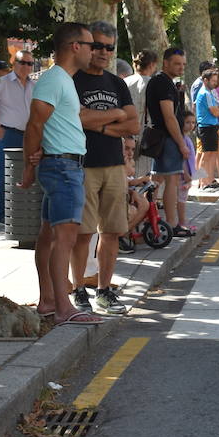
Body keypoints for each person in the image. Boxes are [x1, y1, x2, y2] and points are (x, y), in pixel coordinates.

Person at [20, 22, 99, 325]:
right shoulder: (55, 79)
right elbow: (34, 124)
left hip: (62, 166)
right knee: (64, 237)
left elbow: (43, 125)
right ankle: (64, 307)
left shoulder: (61, 79)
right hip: (63, 168)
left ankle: (48, 302)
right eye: (91, 45)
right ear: (75, 46)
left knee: (49, 236)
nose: (96, 51)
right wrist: (29, 166)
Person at [68, 21, 138, 316]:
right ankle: (78, 288)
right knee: (82, 233)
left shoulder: (117, 83)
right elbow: (78, 119)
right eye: (97, 45)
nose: (104, 52)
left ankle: (105, 290)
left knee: (111, 232)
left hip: (114, 166)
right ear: (85, 46)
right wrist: (116, 118)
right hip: (83, 166)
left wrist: (102, 125)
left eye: (109, 47)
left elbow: (133, 124)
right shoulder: (72, 80)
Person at [0, 47, 39, 223]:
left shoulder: (34, 85)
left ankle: (24, 213)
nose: (26, 66)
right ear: (15, 63)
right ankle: (3, 215)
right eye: (22, 62)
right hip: (10, 134)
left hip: (30, 135)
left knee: (29, 173)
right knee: (6, 175)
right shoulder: (2, 82)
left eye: (30, 63)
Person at [146, 47, 193, 238]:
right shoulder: (163, 83)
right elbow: (169, 117)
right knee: (171, 181)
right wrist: (181, 143)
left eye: (183, 64)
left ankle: (152, 220)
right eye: (177, 64)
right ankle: (172, 224)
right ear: (165, 63)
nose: (181, 67)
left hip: (164, 138)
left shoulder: (165, 82)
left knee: (157, 181)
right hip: (166, 138)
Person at [125, 49, 157, 179]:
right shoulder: (153, 84)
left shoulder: (125, 82)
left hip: (125, 130)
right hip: (145, 132)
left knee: (128, 170)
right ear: (151, 65)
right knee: (144, 172)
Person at [194, 68, 219, 188]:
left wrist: (218, 110)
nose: (215, 83)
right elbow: (216, 111)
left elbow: (218, 110)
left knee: (211, 154)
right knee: (205, 155)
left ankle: (209, 179)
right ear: (205, 80)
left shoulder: (209, 92)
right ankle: (202, 181)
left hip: (211, 126)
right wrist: (218, 111)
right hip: (206, 127)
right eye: (213, 81)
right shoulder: (205, 93)